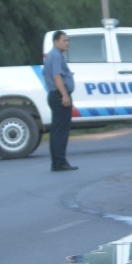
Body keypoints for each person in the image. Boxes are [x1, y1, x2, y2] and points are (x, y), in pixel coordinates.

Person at [44, 31, 78, 172]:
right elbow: (57, 76)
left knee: (57, 131)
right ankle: (60, 162)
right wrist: (64, 95)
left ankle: (57, 162)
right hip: (59, 96)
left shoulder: (53, 55)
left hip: (56, 95)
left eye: (68, 40)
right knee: (61, 132)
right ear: (56, 42)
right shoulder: (56, 56)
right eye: (64, 40)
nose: (67, 43)